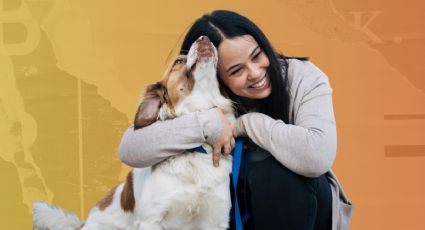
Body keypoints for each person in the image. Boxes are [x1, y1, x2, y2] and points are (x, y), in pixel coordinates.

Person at [119, 10, 352, 230]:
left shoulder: (304, 77)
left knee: (274, 175)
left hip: (302, 207)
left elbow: (316, 156)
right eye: (236, 71)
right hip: (228, 212)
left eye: (257, 55)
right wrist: (208, 123)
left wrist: (246, 124)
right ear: (215, 75)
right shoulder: (205, 96)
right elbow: (131, 149)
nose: (255, 73)